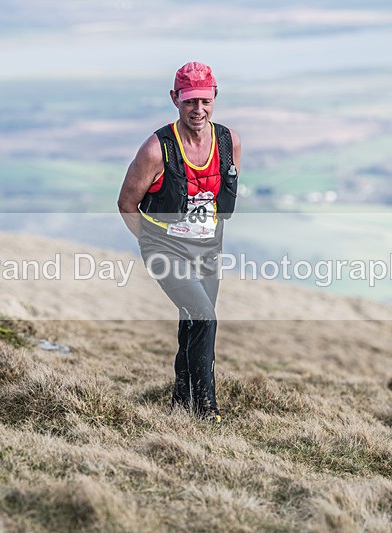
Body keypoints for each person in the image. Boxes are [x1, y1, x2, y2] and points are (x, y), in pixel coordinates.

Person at [117, 61, 241, 423]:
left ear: (214, 97)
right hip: (164, 249)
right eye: (189, 102)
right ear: (175, 99)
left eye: (205, 101)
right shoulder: (156, 150)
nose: (198, 110)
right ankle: (207, 410)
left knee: (192, 322)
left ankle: (180, 404)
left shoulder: (229, 142)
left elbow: (222, 203)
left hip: (207, 250)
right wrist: (153, 244)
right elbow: (126, 203)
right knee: (205, 318)